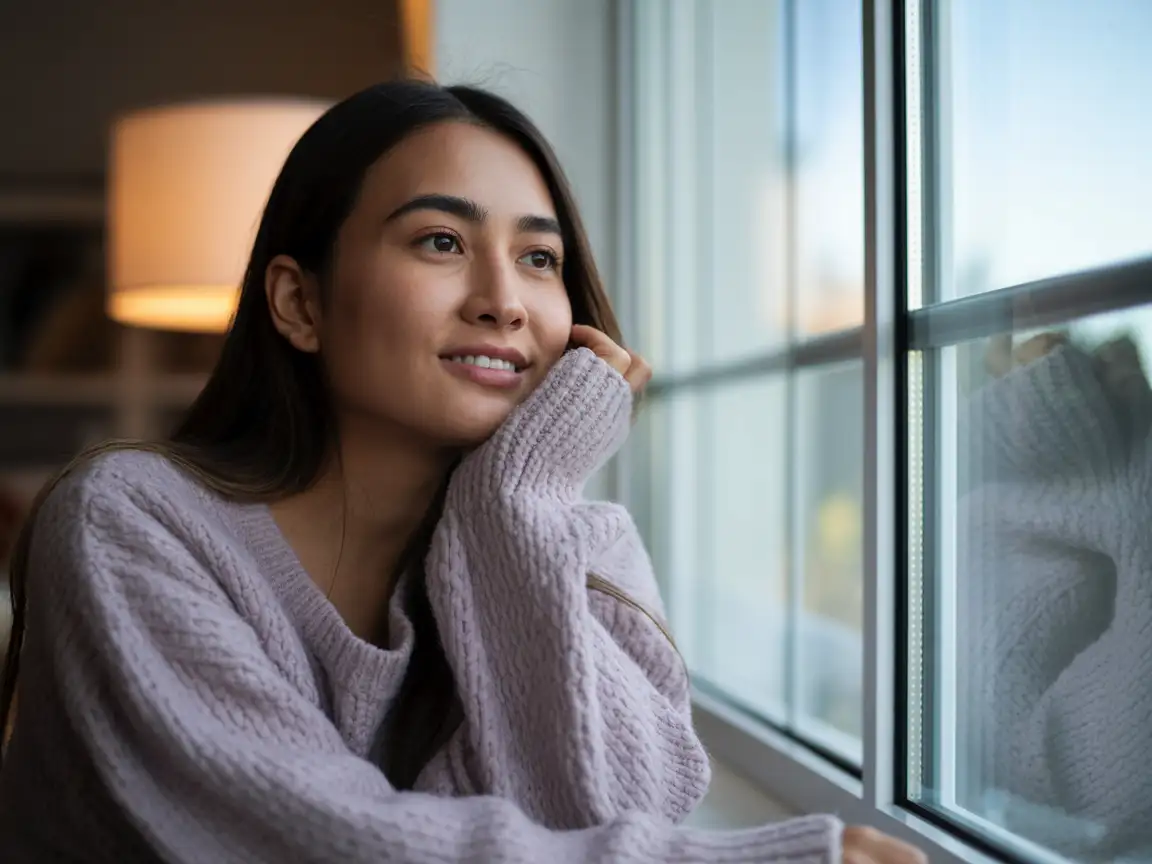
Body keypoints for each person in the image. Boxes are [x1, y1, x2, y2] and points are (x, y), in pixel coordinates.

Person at [0, 80, 924, 863]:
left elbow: (603, 814)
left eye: (538, 258)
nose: (504, 302)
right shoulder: (128, 521)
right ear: (299, 301)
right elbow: (322, 841)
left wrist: (514, 502)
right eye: (441, 241)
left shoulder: (577, 543)